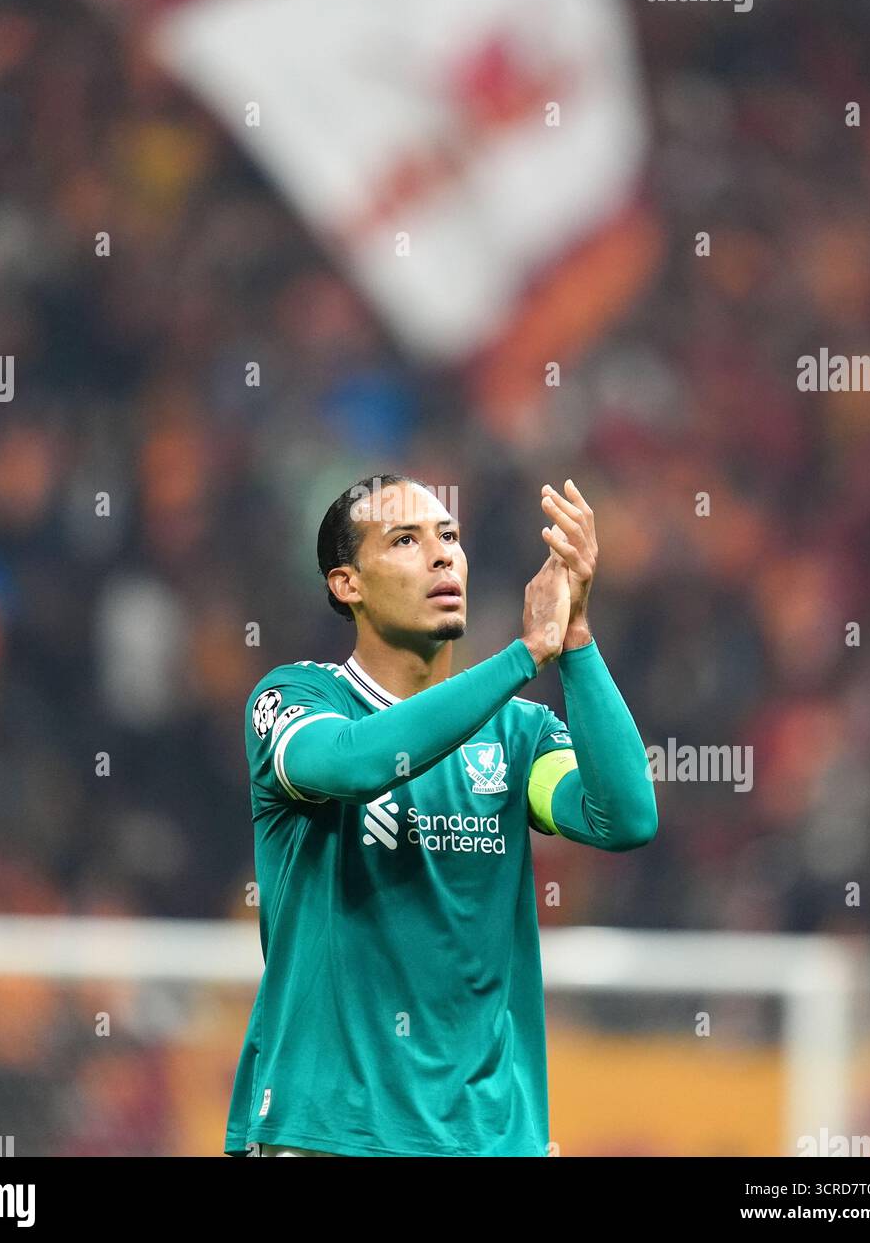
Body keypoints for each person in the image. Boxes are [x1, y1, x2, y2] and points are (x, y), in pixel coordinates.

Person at [224, 473, 657, 1157]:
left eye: (449, 537)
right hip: (331, 1136)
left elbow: (623, 816)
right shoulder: (295, 700)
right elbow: (352, 764)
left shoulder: (517, 737)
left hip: (490, 1140)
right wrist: (523, 656)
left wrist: (573, 639)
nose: (441, 556)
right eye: (404, 540)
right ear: (347, 584)